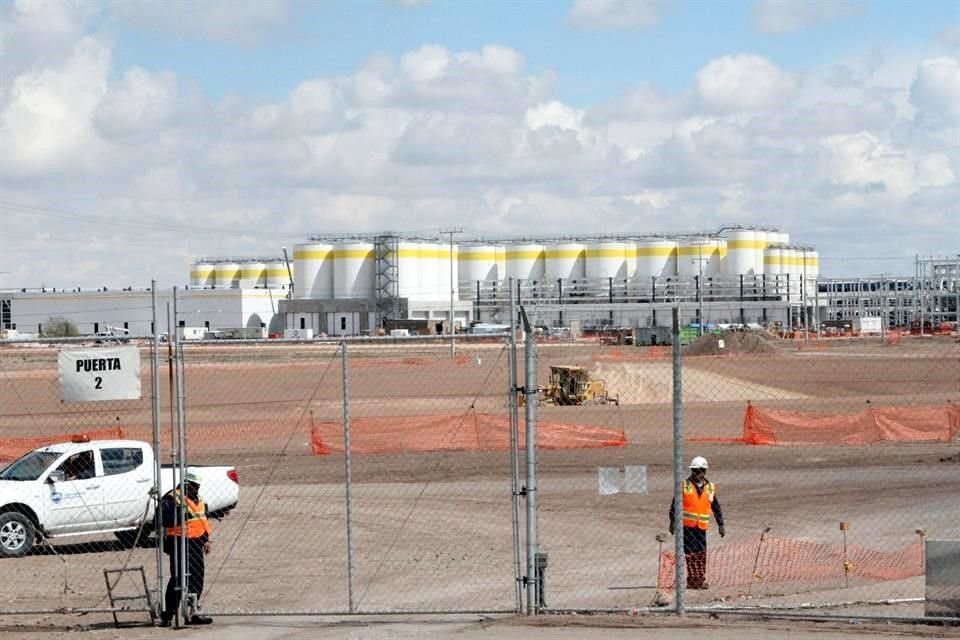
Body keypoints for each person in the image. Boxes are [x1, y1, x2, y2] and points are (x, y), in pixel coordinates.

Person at [159, 472, 213, 626]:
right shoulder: (171, 498)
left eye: (198, 487)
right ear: (187, 485)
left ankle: (192, 612)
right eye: (195, 486)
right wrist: (180, 514)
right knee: (178, 577)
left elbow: (202, 520)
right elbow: (162, 519)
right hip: (178, 541)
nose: (197, 489)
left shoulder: (197, 499)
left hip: (196, 542)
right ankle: (168, 614)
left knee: (196, 577)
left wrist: (206, 539)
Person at [668, 456, 725, 590]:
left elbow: (715, 507)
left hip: (701, 528)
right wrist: (672, 522)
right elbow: (674, 505)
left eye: (698, 471)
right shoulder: (684, 485)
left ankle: (699, 579)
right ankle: (692, 580)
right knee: (689, 554)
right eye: (694, 470)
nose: (696, 473)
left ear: (704, 471)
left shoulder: (710, 487)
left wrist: (721, 524)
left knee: (701, 554)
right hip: (687, 527)